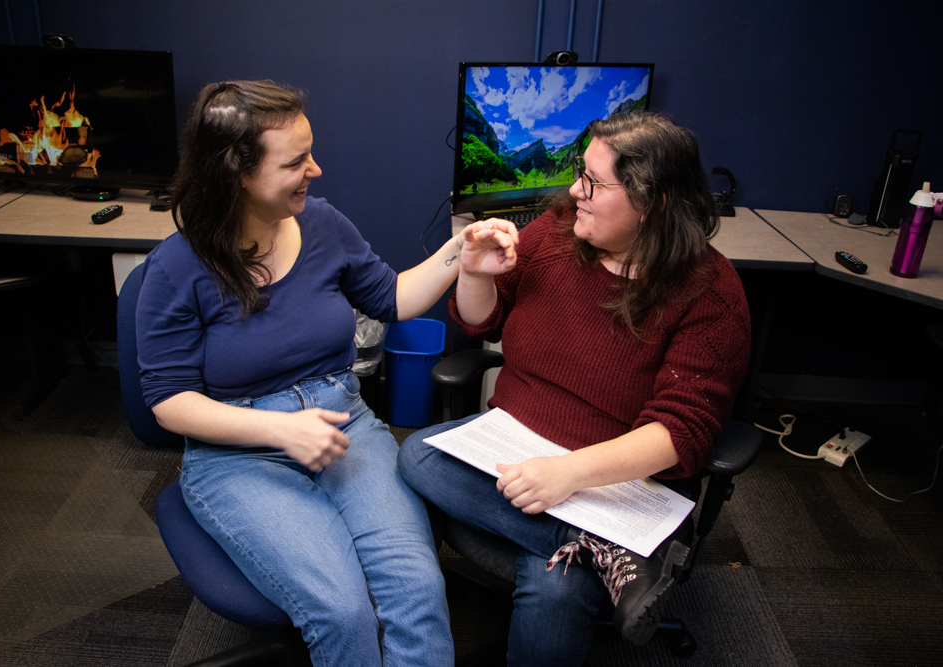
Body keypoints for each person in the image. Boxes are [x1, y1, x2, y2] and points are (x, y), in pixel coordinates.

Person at [135, 80, 518, 667]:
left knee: (417, 588)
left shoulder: (323, 224)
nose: (316, 168)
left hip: (344, 424)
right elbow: (168, 401)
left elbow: (391, 296)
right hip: (237, 452)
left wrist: (459, 253)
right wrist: (281, 431)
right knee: (342, 612)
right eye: (295, 161)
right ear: (235, 171)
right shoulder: (176, 267)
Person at [398, 111, 751, 665]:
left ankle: (587, 548)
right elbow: (481, 323)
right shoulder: (559, 232)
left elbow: (683, 434)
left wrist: (568, 474)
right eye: (577, 173)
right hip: (515, 440)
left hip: (618, 475)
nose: (572, 190)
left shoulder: (710, 293)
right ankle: (607, 553)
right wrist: (474, 273)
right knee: (417, 456)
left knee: (555, 585)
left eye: (593, 182)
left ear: (652, 201)